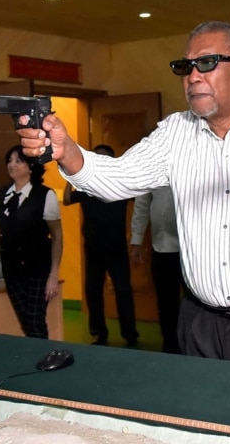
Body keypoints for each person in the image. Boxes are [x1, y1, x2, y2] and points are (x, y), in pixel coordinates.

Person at [17, 21, 230, 371]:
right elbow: (117, 179)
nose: (193, 76)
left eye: (207, 63)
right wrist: (66, 151)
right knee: (201, 423)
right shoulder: (175, 133)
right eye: (185, 67)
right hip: (202, 324)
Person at [0, 146, 63, 339]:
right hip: (12, 268)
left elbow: (57, 237)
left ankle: (45, 360)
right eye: (10, 160)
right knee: (26, 321)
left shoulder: (45, 195)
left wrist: (53, 275)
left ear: (31, 167)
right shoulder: (3, 193)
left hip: (38, 268)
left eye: (18, 161)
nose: (11, 165)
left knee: (35, 319)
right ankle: (38, 358)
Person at [63, 145, 139, 347]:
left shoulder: (121, 185)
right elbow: (68, 199)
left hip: (116, 247)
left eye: (104, 157)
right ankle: (99, 334)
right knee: (93, 291)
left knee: (123, 291)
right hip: (93, 247)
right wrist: (71, 177)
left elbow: (140, 199)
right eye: (97, 157)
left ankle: (130, 335)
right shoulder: (86, 186)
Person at [130, 186, 183, 354]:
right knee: (165, 303)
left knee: (195, 304)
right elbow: (142, 202)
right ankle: (170, 347)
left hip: (191, 249)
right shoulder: (154, 163)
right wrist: (136, 240)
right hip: (160, 246)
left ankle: (192, 348)